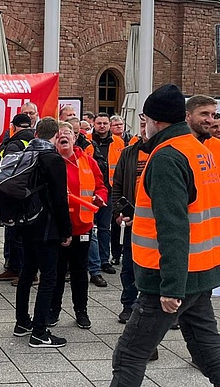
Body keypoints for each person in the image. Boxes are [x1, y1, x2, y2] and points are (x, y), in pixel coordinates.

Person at [110, 84, 220, 386]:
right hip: (200, 270)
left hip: (169, 276)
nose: (141, 126)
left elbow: (173, 225)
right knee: (209, 352)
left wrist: (171, 287)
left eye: (143, 120)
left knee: (129, 355)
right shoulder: (201, 150)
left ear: (155, 121)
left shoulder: (167, 157)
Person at [13, 118, 72, 348]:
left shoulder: (26, 154)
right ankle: (39, 331)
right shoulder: (52, 159)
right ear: (56, 136)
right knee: (49, 277)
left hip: (26, 222)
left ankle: (22, 322)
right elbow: (60, 199)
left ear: (36, 132)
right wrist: (66, 230)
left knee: (27, 273)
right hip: (47, 226)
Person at [47, 122, 106, 330]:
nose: (64, 136)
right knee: (56, 271)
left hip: (82, 226)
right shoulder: (49, 161)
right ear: (55, 139)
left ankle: (81, 311)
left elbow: (100, 186)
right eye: (60, 134)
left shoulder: (88, 161)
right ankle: (53, 310)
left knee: (80, 271)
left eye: (68, 133)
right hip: (56, 228)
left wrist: (100, 197)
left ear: (74, 138)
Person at [112, 114, 149, 323]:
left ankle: (162, 310)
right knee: (129, 264)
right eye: (141, 125)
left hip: (155, 222)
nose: (144, 129)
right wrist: (118, 213)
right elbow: (117, 185)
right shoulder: (128, 153)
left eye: (147, 125)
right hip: (132, 219)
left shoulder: (164, 152)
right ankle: (129, 304)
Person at [0, 114, 34, 283]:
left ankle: (23, 272)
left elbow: (7, 171)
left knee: (16, 234)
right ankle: (16, 268)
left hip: (14, 195)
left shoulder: (15, 144)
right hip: (28, 194)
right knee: (20, 234)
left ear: (14, 126)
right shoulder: (33, 141)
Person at [90, 112, 124, 278]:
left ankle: (104, 260)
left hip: (109, 190)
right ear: (94, 125)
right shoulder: (87, 141)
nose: (102, 126)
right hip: (90, 190)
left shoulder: (118, 142)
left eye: (105, 123)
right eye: (99, 123)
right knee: (88, 229)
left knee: (105, 228)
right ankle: (91, 262)